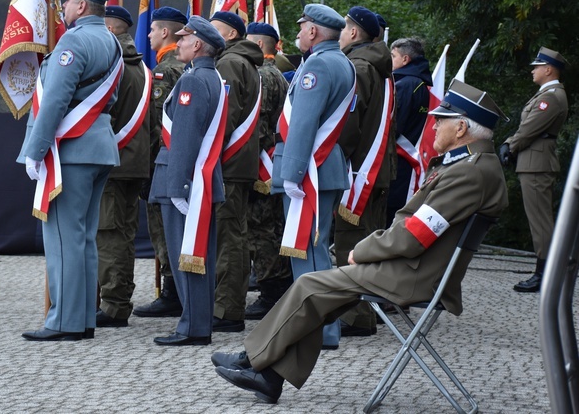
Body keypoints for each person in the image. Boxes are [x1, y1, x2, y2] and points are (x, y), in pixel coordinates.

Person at [211, 80, 509, 404]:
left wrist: (363, 251)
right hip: (417, 268)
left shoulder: (469, 173)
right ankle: (268, 374)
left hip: (416, 275)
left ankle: (253, 360)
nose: (433, 123)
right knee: (323, 293)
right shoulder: (474, 167)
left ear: (462, 127)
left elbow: (413, 236)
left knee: (310, 286)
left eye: (442, 119)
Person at [19, 0, 122, 341]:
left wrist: (35, 148)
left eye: (68, 1)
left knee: (64, 237)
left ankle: (64, 321)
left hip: (71, 150)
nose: (63, 6)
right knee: (83, 238)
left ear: (81, 6)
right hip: (99, 147)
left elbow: (56, 100)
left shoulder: (75, 40)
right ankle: (82, 320)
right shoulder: (111, 41)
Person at [272, 4, 355, 349]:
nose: (299, 32)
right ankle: (322, 327)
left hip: (309, 169)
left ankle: (315, 327)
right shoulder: (342, 62)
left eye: (303, 26)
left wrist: (291, 174)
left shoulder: (318, 65)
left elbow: (304, 123)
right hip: (325, 166)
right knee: (315, 247)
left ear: (315, 32)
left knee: (307, 249)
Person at [148, 15, 228, 346]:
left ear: (197, 45)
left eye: (183, 38)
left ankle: (192, 327)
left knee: (189, 256)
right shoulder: (213, 78)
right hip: (199, 178)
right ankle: (196, 323)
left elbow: (183, 137)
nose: (177, 42)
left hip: (184, 179)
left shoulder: (193, 81)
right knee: (197, 255)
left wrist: (178, 186)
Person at [335, 5, 395, 337]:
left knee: (351, 243)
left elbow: (349, 124)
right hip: (378, 168)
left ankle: (355, 317)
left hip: (359, 170)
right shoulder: (381, 67)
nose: (341, 35)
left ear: (354, 32)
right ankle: (364, 314)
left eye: (344, 29)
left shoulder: (358, 66)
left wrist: (335, 155)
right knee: (368, 241)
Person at [95, 5, 151, 327]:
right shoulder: (142, 68)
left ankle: (114, 306)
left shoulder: (112, 68)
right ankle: (117, 299)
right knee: (123, 235)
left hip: (112, 165)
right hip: (134, 163)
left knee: (110, 236)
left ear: (112, 30)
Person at [209, 11, 264, 333]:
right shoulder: (241, 61)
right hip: (239, 163)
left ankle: (226, 309)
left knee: (229, 238)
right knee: (235, 235)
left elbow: (223, 119)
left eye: (213, 30)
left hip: (229, 164)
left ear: (229, 34)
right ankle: (228, 305)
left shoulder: (230, 64)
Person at [133, 6, 188, 318]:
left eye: (153, 30)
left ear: (165, 32)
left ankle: (172, 292)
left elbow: (158, 126)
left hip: (163, 164)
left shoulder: (165, 71)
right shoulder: (181, 67)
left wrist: (148, 169)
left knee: (164, 229)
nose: (149, 35)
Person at [501, 47, 569, 293]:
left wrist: (509, 145)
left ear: (548, 69)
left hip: (537, 164)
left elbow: (529, 129)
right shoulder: (549, 94)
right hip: (535, 163)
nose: (533, 70)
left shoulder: (550, 96)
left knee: (541, 222)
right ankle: (546, 272)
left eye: (537, 66)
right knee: (539, 220)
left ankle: (545, 275)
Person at [243, 22, 292, 319]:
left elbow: (259, 128)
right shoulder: (276, 75)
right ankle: (273, 287)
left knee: (262, 232)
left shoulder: (261, 75)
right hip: (273, 160)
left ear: (260, 46)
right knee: (271, 228)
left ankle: (271, 292)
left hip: (263, 163)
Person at [386, 37, 433, 226]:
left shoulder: (405, 85)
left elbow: (394, 125)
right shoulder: (420, 84)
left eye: (393, 56)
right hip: (404, 159)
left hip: (397, 158)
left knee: (391, 212)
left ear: (405, 59)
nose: (390, 60)